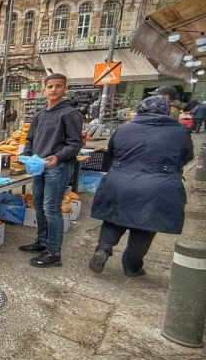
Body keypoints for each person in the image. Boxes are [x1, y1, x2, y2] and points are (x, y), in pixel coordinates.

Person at [88, 97, 194, 277]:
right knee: (145, 226)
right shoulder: (180, 132)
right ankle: (132, 265)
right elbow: (187, 156)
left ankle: (103, 249)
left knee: (113, 218)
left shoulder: (123, 129)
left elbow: (112, 153)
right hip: (158, 185)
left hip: (120, 181)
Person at [19, 73, 83, 268]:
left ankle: (54, 252)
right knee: (38, 204)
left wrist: (58, 157)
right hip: (39, 166)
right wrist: (27, 155)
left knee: (51, 208)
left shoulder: (70, 113)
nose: (53, 90)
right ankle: (42, 241)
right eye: (50, 86)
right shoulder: (40, 114)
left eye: (58, 86)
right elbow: (30, 140)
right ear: (44, 89)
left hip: (57, 166)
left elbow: (74, 144)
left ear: (64, 89)